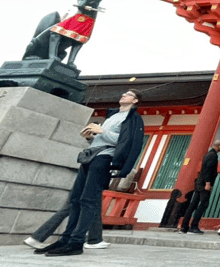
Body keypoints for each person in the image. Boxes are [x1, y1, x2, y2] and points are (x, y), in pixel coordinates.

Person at [36, 89, 144, 257]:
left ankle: (76, 242)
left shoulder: (133, 119)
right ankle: (65, 239)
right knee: (76, 199)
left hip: (104, 158)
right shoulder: (113, 116)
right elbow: (102, 138)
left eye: (128, 94)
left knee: (88, 200)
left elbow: (125, 142)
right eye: (123, 93)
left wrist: (102, 132)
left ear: (135, 101)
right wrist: (89, 136)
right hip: (90, 155)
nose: (123, 95)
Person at [179, 139, 220, 234]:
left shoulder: (208, 154)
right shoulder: (213, 155)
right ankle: (194, 226)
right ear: (219, 146)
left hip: (199, 183)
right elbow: (207, 169)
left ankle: (184, 227)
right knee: (204, 204)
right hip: (204, 184)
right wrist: (208, 183)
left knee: (193, 204)